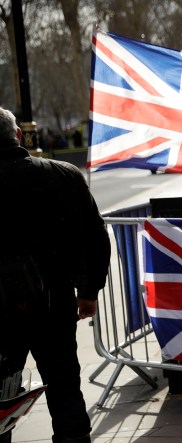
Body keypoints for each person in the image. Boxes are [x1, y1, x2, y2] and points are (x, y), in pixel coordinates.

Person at [0, 106, 111, 443]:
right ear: (17, 135)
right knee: (65, 391)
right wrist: (89, 292)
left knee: (2, 397)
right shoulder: (62, 175)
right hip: (54, 303)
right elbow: (95, 238)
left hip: (2, 313)